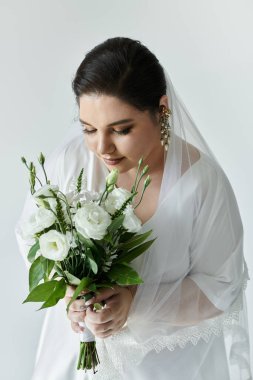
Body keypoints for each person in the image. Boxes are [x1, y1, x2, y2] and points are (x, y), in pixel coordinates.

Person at [15, 37, 252, 380]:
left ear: (162, 110)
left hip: (170, 367)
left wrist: (135, 301)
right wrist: (72, 294)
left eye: (121, 130)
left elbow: (221, 287)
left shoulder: (202, 185)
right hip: (75, 364)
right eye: (88, 129)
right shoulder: (71, 163)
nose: (102, 147)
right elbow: (31, 237)